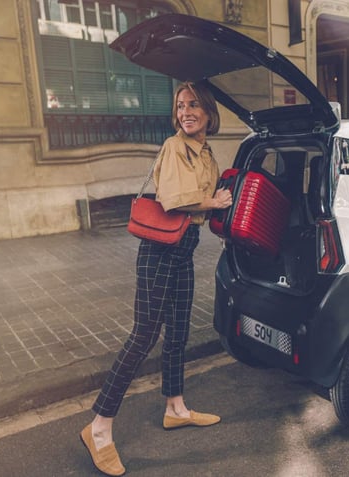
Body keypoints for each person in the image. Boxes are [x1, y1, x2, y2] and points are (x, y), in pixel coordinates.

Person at [80, 81, 232, 477]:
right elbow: (173, 199)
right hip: (159, 249)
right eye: (180, 106)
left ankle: (175, 408)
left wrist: (220, 203)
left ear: (209, 111)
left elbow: (205, 203)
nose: (185, 112)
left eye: (193, 104)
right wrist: (213, 201)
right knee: (144, 335)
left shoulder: (206, 153)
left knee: (179, 332)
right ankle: (99, 428)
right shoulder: (174, 146)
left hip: (185, 246)